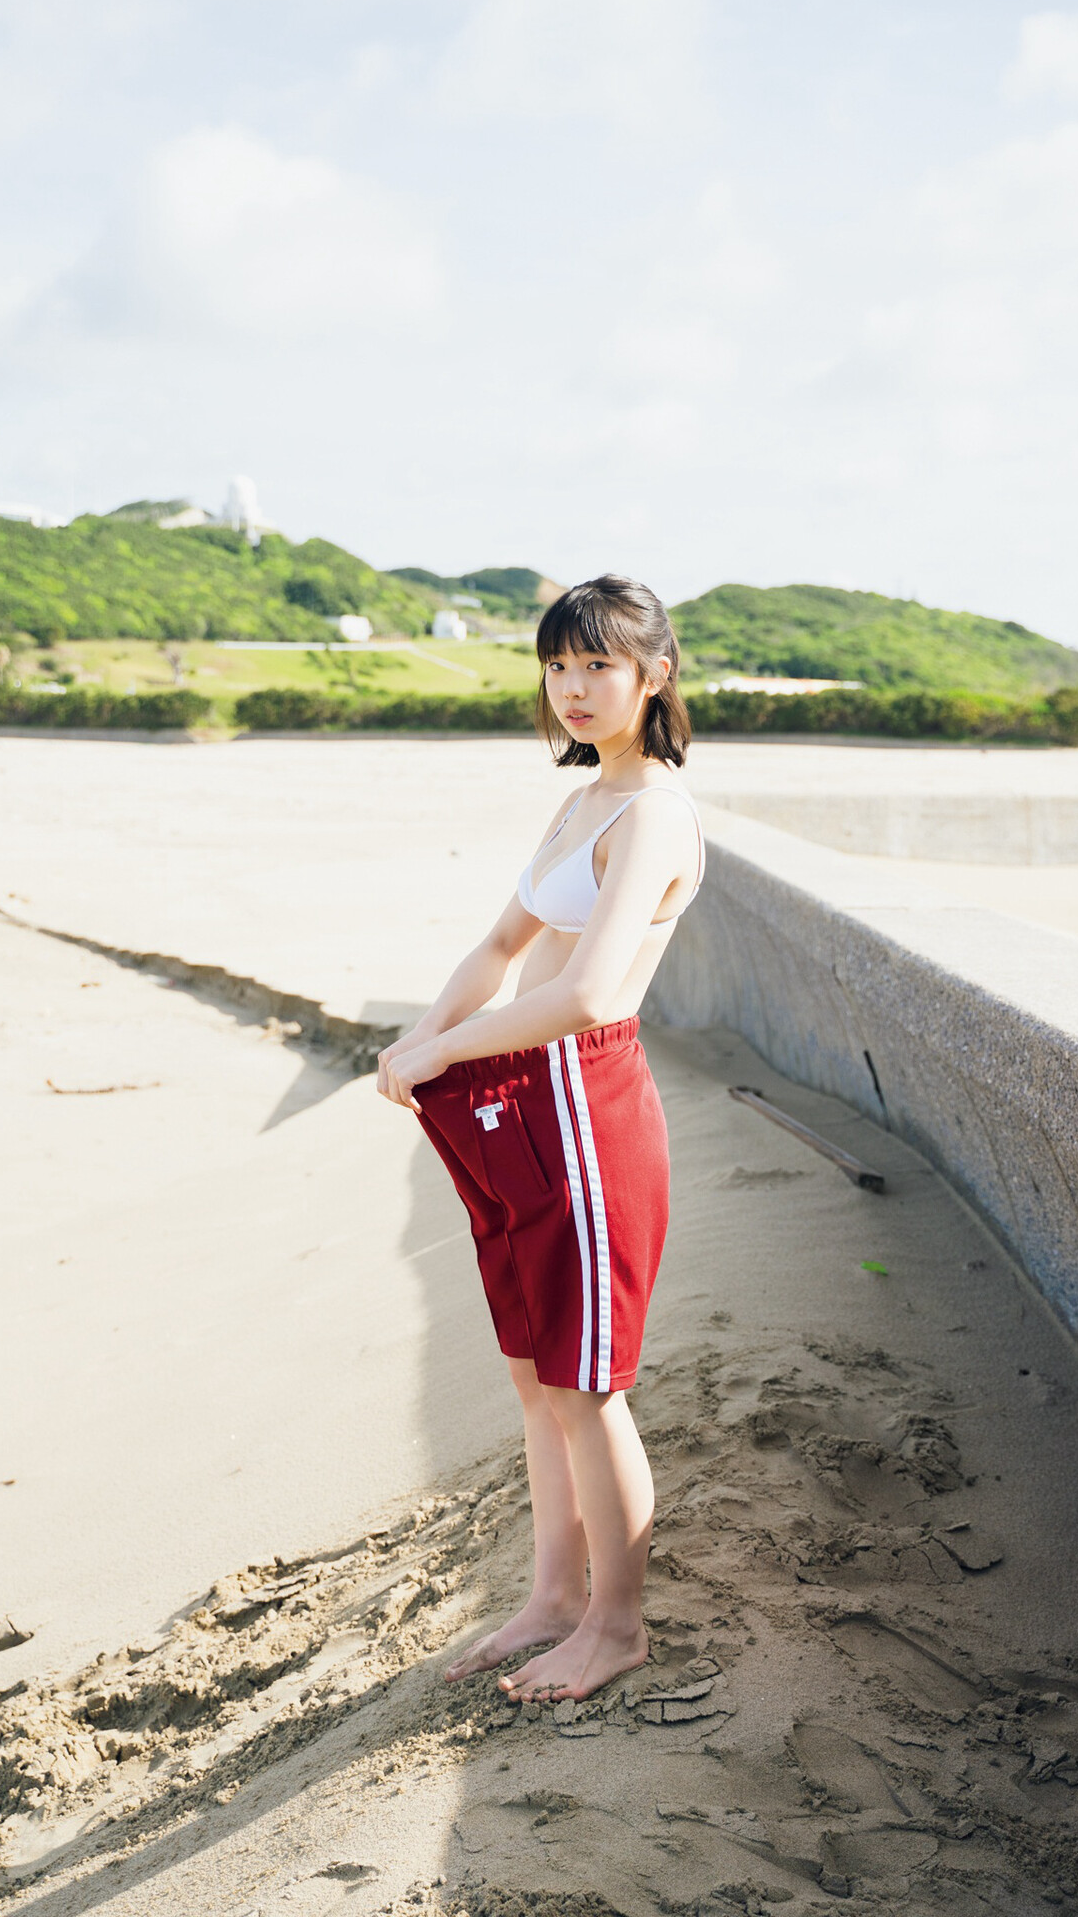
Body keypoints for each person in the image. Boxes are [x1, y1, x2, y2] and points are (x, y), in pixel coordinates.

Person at [375, 574, 706, 1705]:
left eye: (598, 665)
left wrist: (445, 1053)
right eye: (557, 666)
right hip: (519, 1103)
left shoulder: (654, 814)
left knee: (586, 1385)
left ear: (653, 674)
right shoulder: (583, 802)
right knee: (534, 1381)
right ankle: (554, 1599)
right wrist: (424, 1033)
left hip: (586, 1106)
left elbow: (589, 994)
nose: (572, 687)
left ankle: (616, 1627)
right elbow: (501, 946)